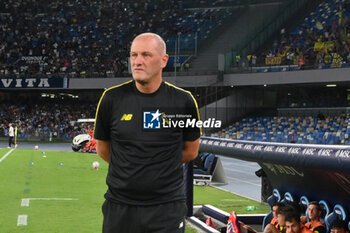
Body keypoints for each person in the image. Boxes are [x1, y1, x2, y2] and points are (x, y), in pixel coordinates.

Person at [94, 32, 201, 233]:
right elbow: (103, 148)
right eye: (134, 55)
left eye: (146, 55)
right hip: (120, 207)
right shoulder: (111, 99)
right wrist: (132, 167)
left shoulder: (183, 102)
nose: (137, 61)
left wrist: (158, 166)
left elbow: (191, 151)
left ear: (164, 60)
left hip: (166, 208)